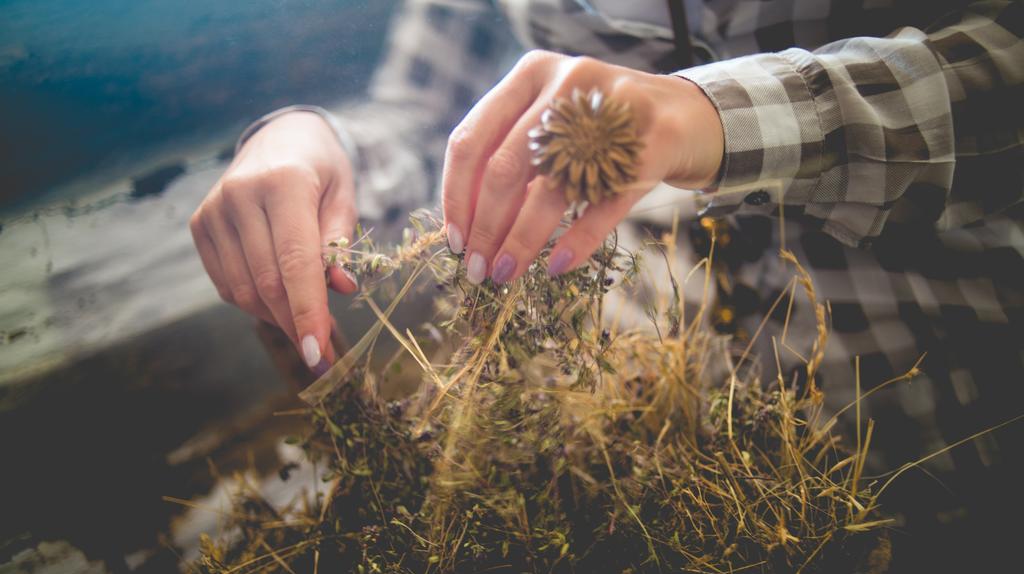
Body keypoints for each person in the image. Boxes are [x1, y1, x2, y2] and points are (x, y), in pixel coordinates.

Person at [189, 0, 1022, 479]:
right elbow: (434, 112)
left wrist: (712, 117)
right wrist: (309, 141)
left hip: (932, 414)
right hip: (638, 417)